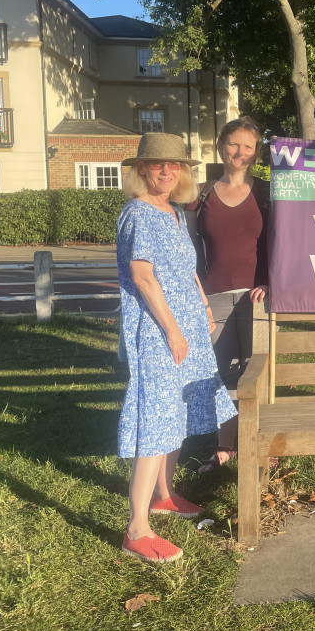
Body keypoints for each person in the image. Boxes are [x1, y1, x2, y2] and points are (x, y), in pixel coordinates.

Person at [116, 132, 237, 562]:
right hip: (159, 332)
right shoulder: (138, 213)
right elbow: (144, 277)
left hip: (186, 327)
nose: (166, 171)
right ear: (142, 169)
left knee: (178, 413)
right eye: (157, 164)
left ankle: (164, 495)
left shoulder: (171, 213)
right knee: (156, 419)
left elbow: (187, 271)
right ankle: (136, 529)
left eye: (174, 165)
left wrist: (203, 307)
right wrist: (172, 331)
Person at [188, 117, 269, 473]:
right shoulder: (201, 193)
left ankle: (263, 444)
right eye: (234, 144)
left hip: (258, 296)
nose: (240, 152)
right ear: (222, 146)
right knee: (221, 374)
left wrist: (269, 281)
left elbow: (280, 242)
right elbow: (187, 248)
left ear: (256, 152)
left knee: (259, 371)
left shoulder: (266, 192)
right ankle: (225, 447)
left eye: (248, 146)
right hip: (214, 296)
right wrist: (196, 292)